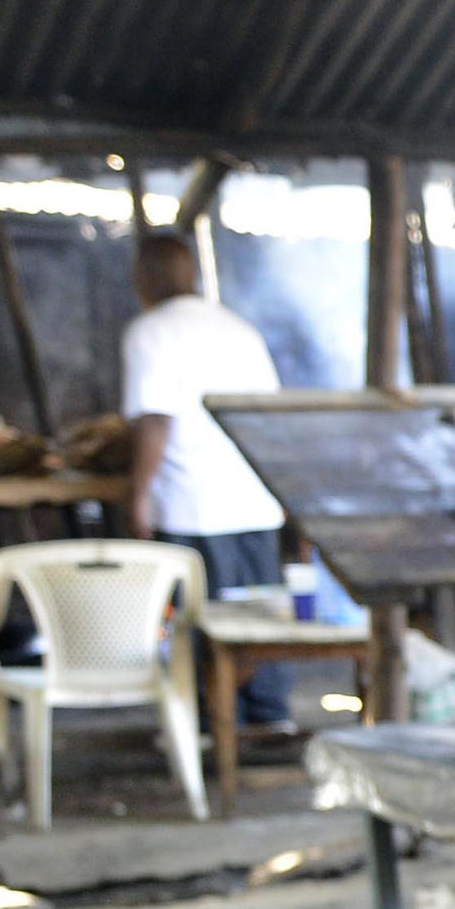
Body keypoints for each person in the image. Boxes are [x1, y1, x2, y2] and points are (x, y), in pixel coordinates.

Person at [118, 235, 292, 731]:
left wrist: (138, 495)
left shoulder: (149, 332)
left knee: (204, 621)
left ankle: (217, 725)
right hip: (254, 500)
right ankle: (268, 717)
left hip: (192, 504)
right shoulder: (240, 330)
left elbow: (155, 421)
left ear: (143, 281)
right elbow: (271, 420)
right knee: (260, 620)